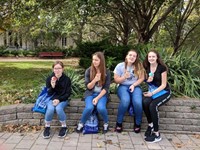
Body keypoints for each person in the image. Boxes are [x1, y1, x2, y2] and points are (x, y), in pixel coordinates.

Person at [76, 51, 111, 133]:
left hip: (102, 94)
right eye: (93, 60)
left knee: (101, 108)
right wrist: (95, 80)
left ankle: (106, 123)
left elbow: (106, 88)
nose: (94, 62)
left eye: (96, 60)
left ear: (101, 61)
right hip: (90, 93)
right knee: (89, 107)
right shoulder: (88, 71)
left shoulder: (107, 72)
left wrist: (97, 98)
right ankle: (81, 124)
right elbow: (88, 86)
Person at [142, 49, 171, 143]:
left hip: (164, 91)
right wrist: (148, 80)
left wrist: (152, 94)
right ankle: (150, 125)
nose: (151, 58)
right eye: (149, 56)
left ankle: (157, 134)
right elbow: (146, 81)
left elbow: (163, 85)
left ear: (157, 57)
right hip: (152, 91)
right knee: (145, 102)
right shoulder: (146, 67)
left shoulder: (162, 68)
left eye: (153, 56)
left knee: (152, 105)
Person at [113, 49, 144, 133]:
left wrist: (133, 85)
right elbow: (116, 80)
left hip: (135, 86)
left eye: (134, 56)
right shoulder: (120, 66)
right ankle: (119, 123)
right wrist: (124, 77)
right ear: (126, 56)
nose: (132, 57)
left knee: (137, 102)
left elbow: (141, 78)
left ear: (136, 58)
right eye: (130, 55)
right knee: (125, 100)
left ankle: (137, 123)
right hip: (122, 86)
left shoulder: (139, 66)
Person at [43, 61, 71, 139]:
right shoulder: (49, 78)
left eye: (59, 68)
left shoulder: (67, 79)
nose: (57, 70)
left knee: (59, 108)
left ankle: (64, 127)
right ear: (53, 69)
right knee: (51, 109)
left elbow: (68, 94)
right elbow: (49, 93)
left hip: (62, 99)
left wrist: (59, 99)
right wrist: (52, 85)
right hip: (51, 98)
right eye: (55, 68)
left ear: (63, 69)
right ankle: (47, 127)